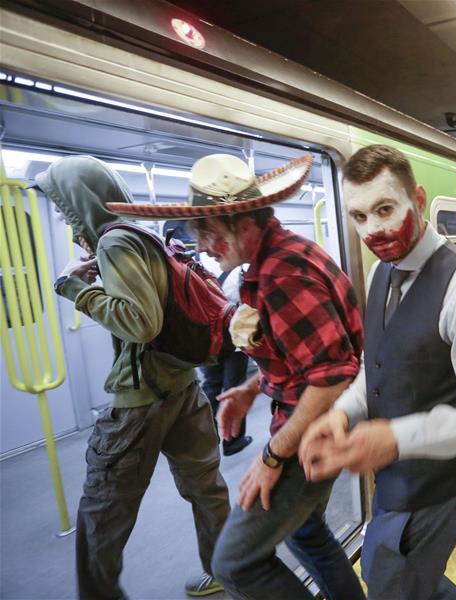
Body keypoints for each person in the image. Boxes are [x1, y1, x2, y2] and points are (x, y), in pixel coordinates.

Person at [107, 153, 366, 600]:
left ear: (241, 219)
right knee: (306, 533)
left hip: (317, 430)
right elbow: (305, 358)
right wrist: (250, 388)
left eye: (206, 229)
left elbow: (331, 378)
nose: (202, 245)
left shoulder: (282, 275)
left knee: (234, 563)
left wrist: (270, 457)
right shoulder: (281, 259)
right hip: (316, 419)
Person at [299, 144, 456, 599]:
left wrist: (396, 438)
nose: (373, 229)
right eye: (359, 217)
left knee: (390, 587)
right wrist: (342, 414)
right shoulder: (383, 273)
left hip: (436, 488)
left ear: (418, 201)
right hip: (395, 482)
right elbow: (377, 363)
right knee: (406, 581)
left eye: (385, 208)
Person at [38, 156, 230, 599]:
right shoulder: (144, 234)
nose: (63, 217)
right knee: (206, 488)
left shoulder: (115, 244)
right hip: (184, 386)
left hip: (140, 400)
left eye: (62, 206)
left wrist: (73, 287)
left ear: (78, 202)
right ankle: (224, 571)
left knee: (103, 508)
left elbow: (141, 324)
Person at [200, 266, 253, 456]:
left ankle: (206, 439)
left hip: (208, 340)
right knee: (233, 388)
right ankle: (233, 441)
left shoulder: (200, 264)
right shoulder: (241, 268)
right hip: (234, 341)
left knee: (211, 386)